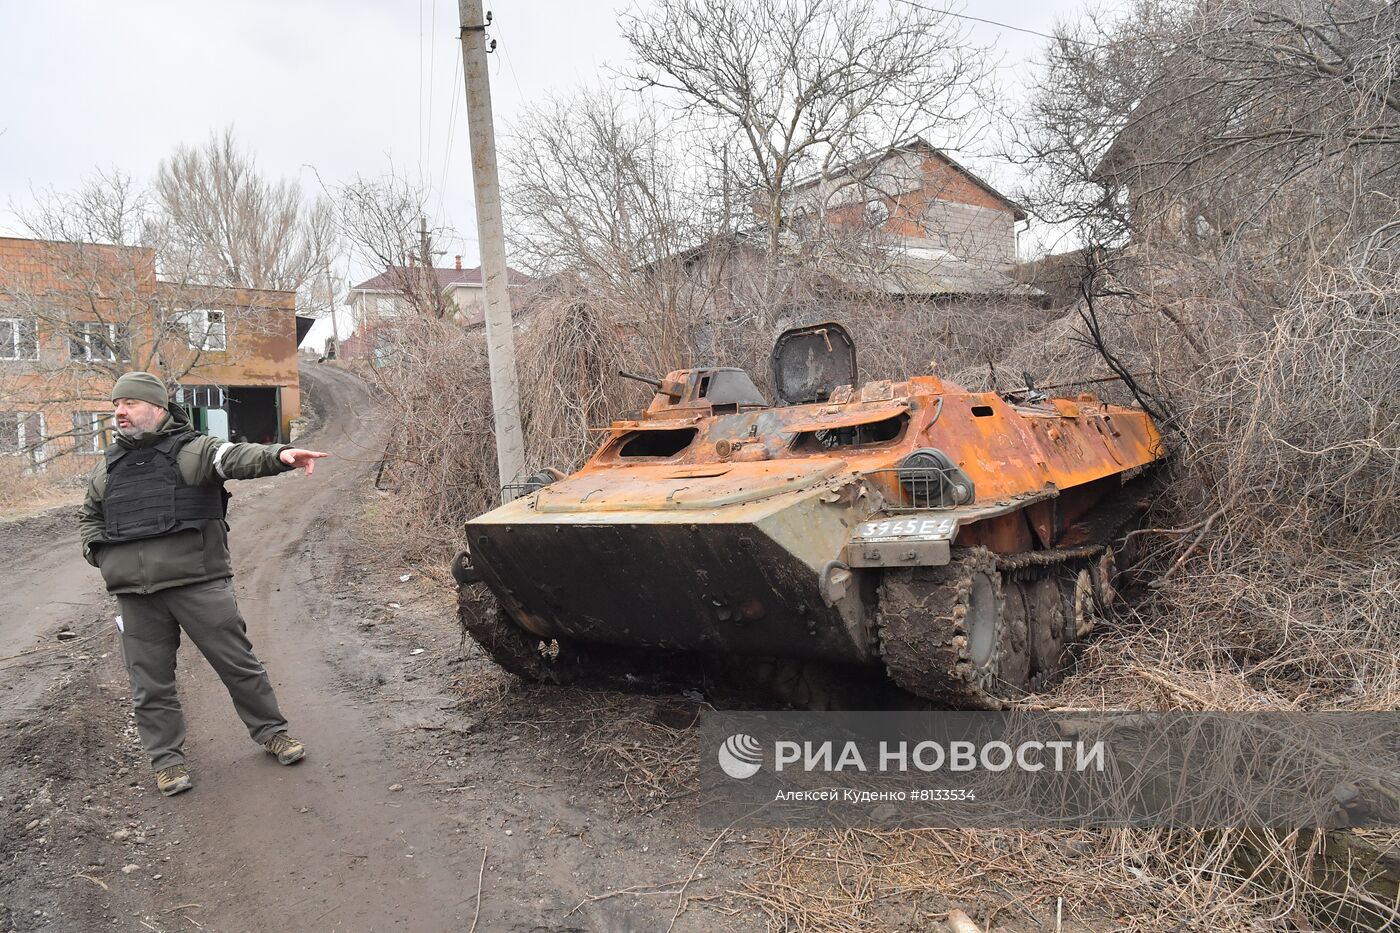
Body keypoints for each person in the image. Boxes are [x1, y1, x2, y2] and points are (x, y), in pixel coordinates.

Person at [78, 372, 329, 797]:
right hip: (136, 597)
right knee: (149, 685)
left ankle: (272, 733)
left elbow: (234, 457)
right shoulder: (108, 466)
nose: (120, 412)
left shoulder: (194, 450)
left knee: (239, 667)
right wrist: (97, 552)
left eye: (131, 403)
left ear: (157, 408)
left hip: (198, 584)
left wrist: (280, 455)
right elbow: (90, 517)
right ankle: (167, 763)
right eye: (116, 404)